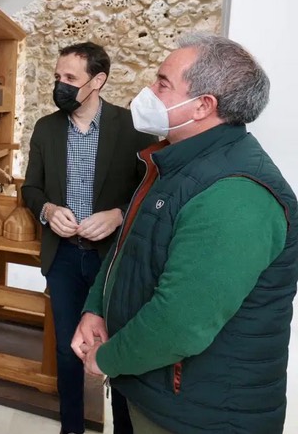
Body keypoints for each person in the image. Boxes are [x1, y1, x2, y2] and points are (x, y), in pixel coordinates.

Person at [74, 33, 298, 434]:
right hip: (147, 387)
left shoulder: (236, 193)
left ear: (202, 106)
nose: (148, 91)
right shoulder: (175, 162)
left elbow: (179, 323)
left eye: (162, 83)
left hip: (196, 414)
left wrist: (106, 359)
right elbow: (130, 247)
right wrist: (96, 307)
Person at [22, 42, 156, 434]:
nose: (60, 85)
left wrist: (118, 215)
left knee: (120, 348)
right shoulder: (46, 128)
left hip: (113, 259)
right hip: (63, 256)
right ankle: (71, 427)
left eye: (70, 78)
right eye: (57, 77)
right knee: (68, 349)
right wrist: (47, 210)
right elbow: (31, 189)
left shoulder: (132, 127)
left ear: (98, 81)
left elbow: (149, 190)